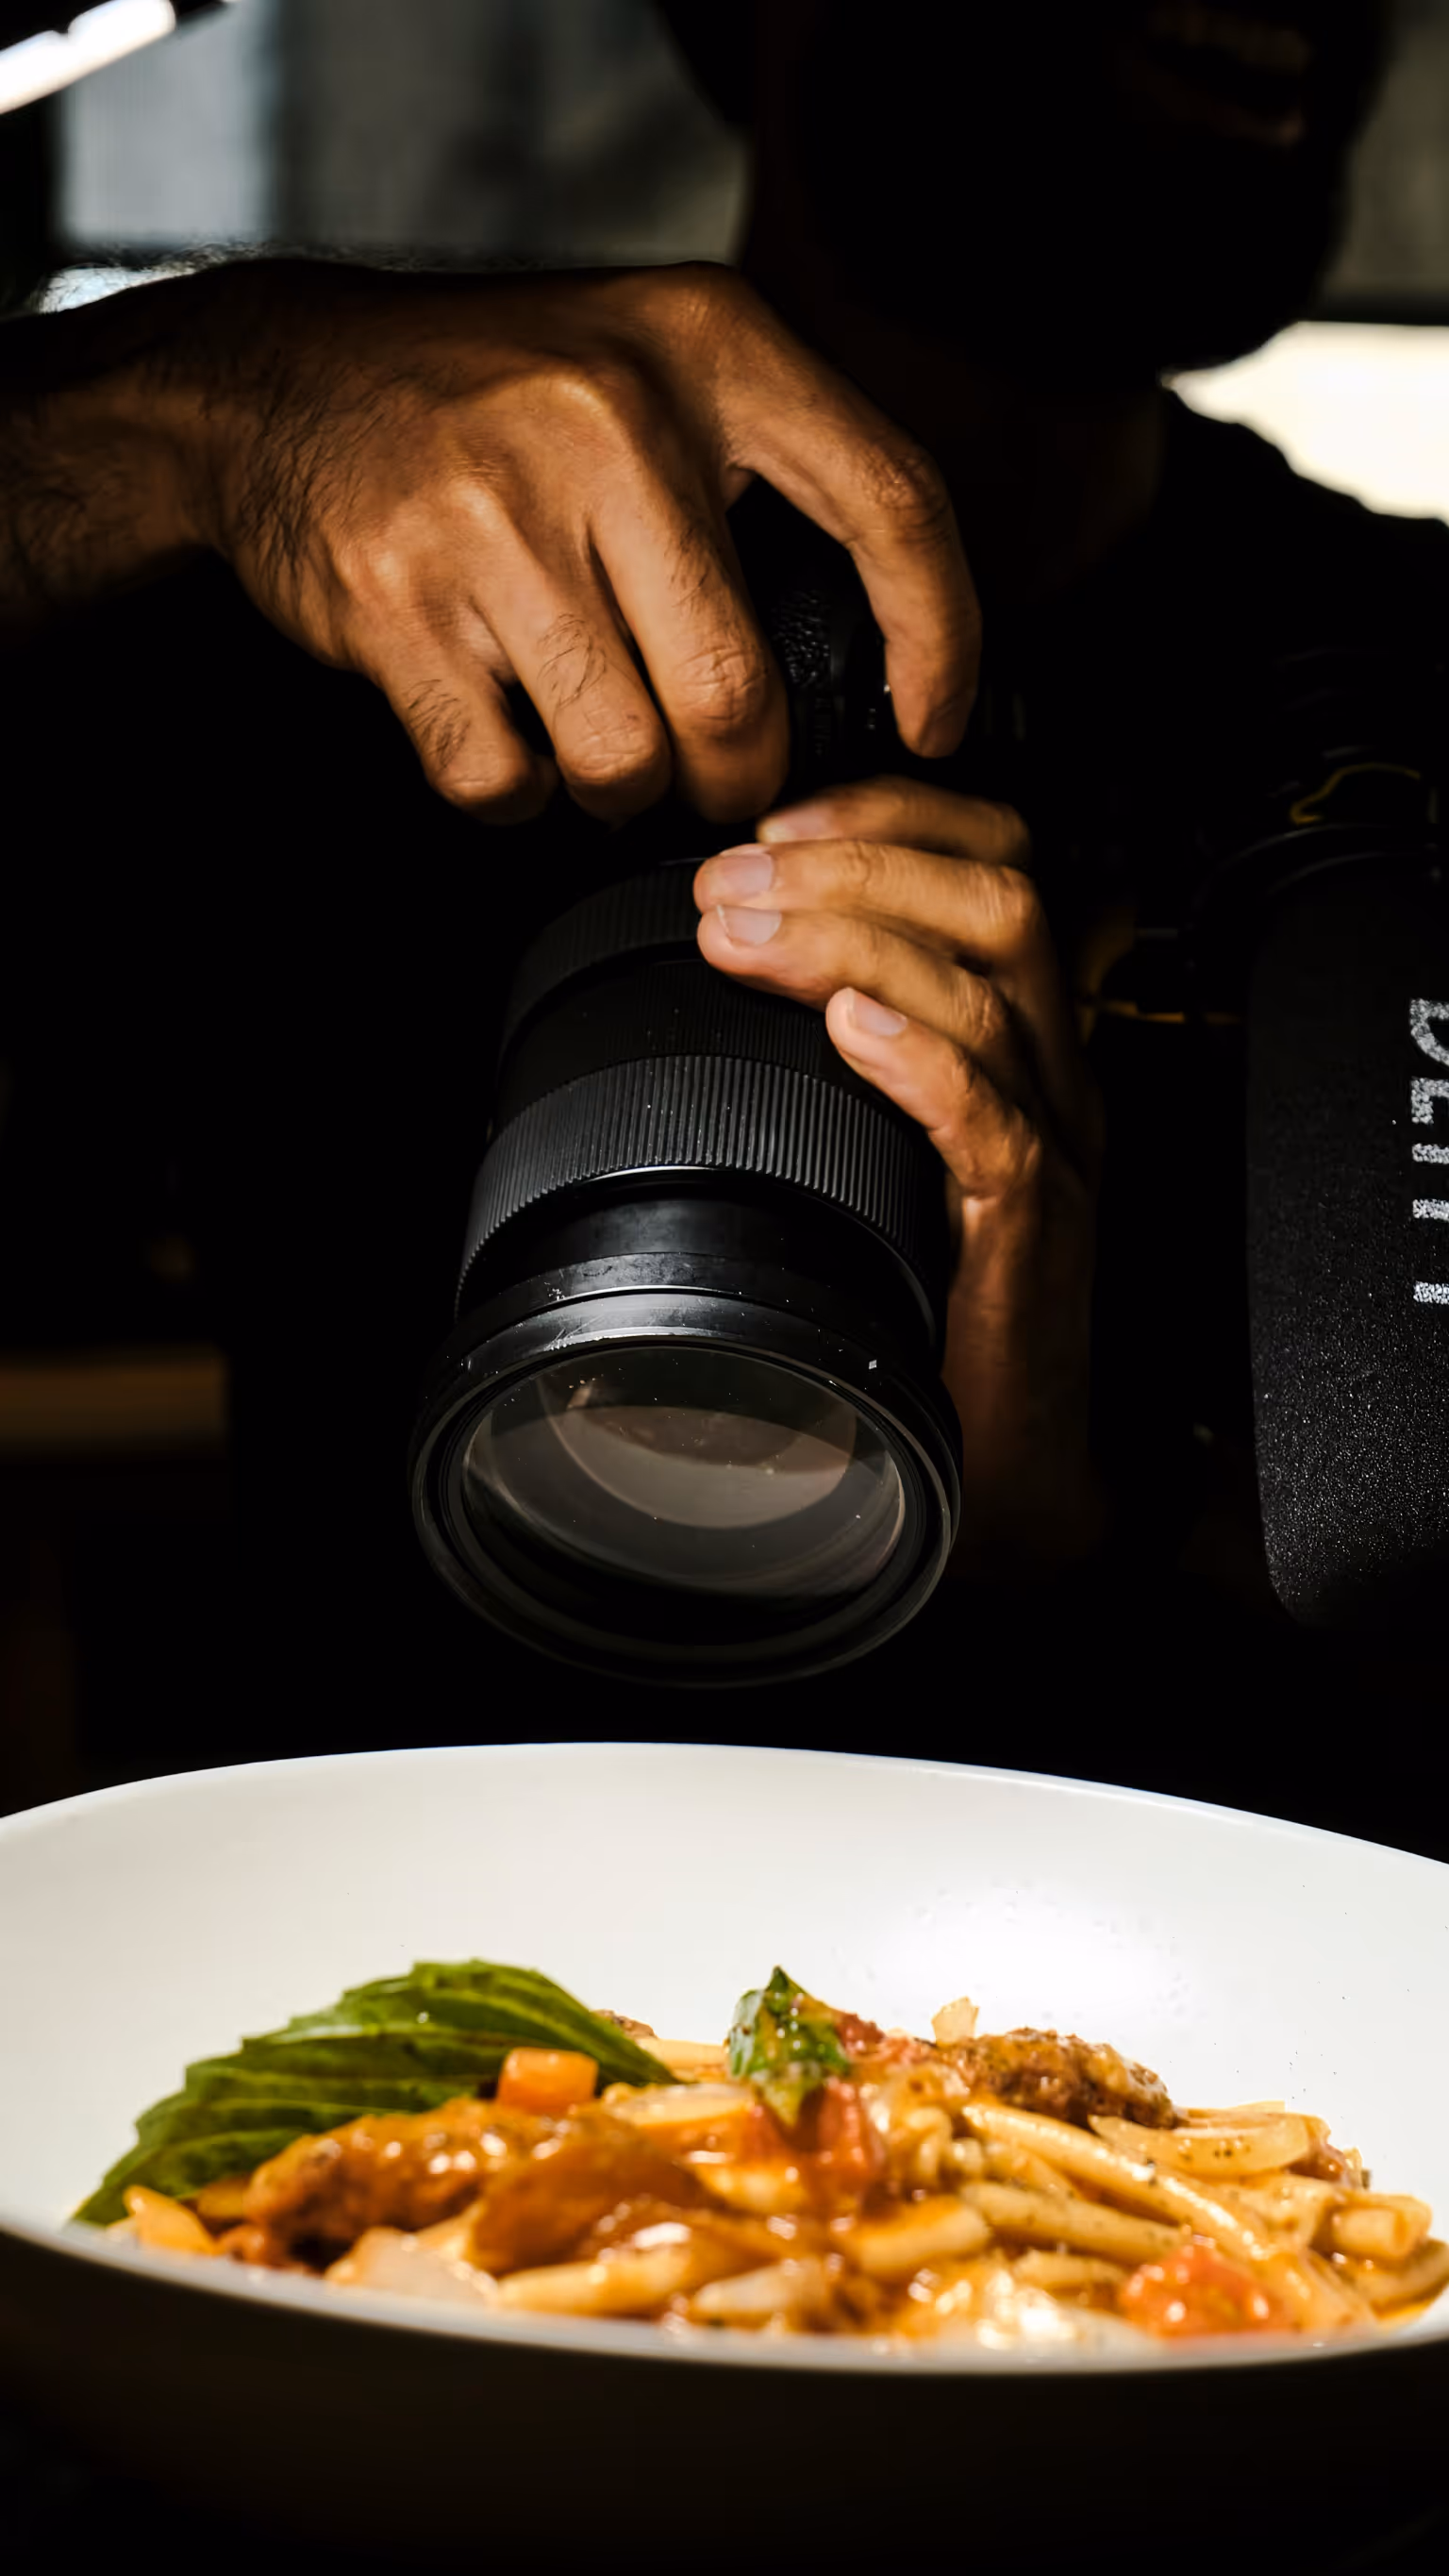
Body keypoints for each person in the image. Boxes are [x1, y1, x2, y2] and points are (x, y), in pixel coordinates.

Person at [1, 3, 1445, 1837]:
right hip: (372, 1919)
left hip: (1193, 1962)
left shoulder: (1402, 697)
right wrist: (194, 409)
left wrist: (1109, 1518)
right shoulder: (270, 596)